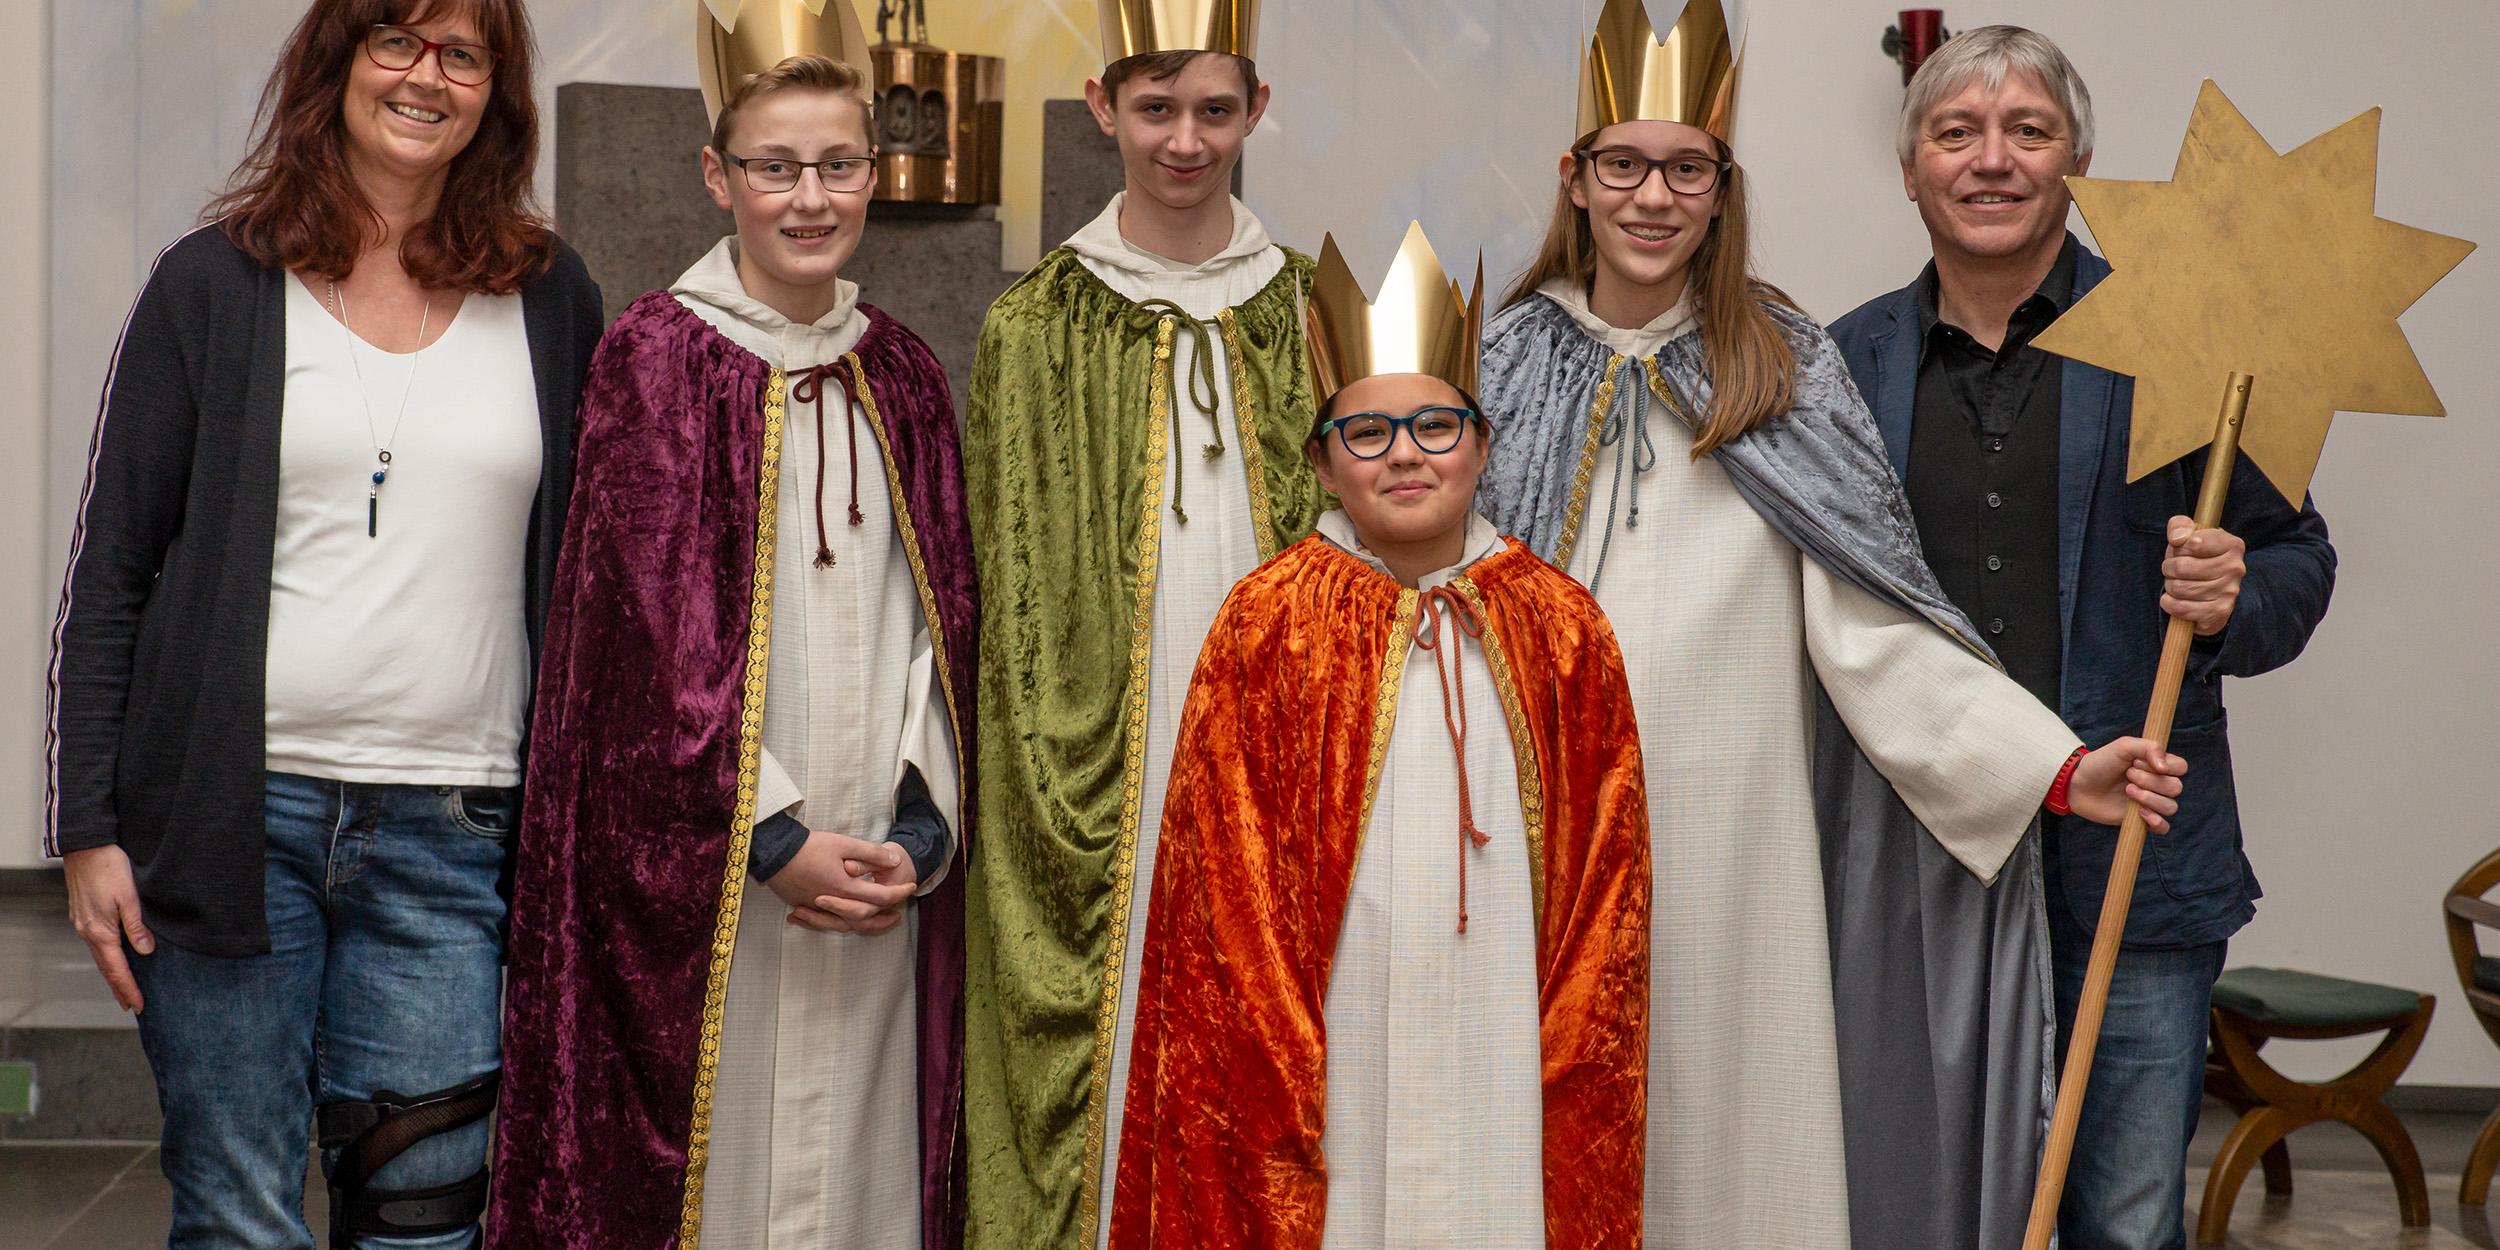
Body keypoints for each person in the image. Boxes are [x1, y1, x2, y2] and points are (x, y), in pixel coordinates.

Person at [1476, 2, 2187, 1246]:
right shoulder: (1500, 368)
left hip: (1735, 844)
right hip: (1540, 835)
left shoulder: (1784, 366)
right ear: (1575, 179)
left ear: (1721, 187)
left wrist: (2054, 767)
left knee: (1722, 1142)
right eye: (1623, 165)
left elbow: (1872, 622)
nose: (1653, 196)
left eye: (1685, 167)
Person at [45, 1, 602, 1245]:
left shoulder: (552, 296)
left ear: (496, 93)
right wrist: (87, 828)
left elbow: (590, 578)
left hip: (456, 828)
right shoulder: (213, 281)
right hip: (234, 815)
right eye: (396, 41)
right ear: (336, 65)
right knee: (241, 1209)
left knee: (425, 1217)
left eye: (463, 54)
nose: (427, 76)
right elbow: (114, 568)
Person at [1828, 27, 2336, 1250]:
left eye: (2027, 131)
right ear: (1910, 170)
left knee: (2121, 1211)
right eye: (1955, 134)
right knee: (1924, 1205)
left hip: (2138, 868)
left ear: (2079, 159)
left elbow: (2298, 561)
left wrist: (2233, 594)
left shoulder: (2184, 342)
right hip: (1927, 861)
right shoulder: (1846, 365)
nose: (1990, 161)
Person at [485, 32, 978, 1250]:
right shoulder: (655, 360)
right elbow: (629, 656)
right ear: (718, 176)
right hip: (719, 885)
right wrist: (769, 836)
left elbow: (942, 630)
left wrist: (916, 831)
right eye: (776, 168)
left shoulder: (903, 375)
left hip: (872, 876)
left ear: (876, 172)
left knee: (862, 1181)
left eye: (838, 165)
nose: (810, 198)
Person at [1110, 226, 1649, 1250]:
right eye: (1367, 433)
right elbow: (1220, 896)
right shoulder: (1266, 622)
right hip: (1332, 1029)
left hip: (1501, 1026)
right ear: (1321, 458)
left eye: (1435, 425)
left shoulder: (1562, 627)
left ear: (1483, 444)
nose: (1404, 452)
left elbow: (1605, 903)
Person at [959, 3, 1326, 1244]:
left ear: (1256, 112)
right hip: (1100, 763)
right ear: (1101, 107)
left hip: (1274, 748)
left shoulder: (1309, 312)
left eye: (1214, 110)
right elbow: (996, 589)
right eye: (1157, 109)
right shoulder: (1035, 325)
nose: (1185, 140)